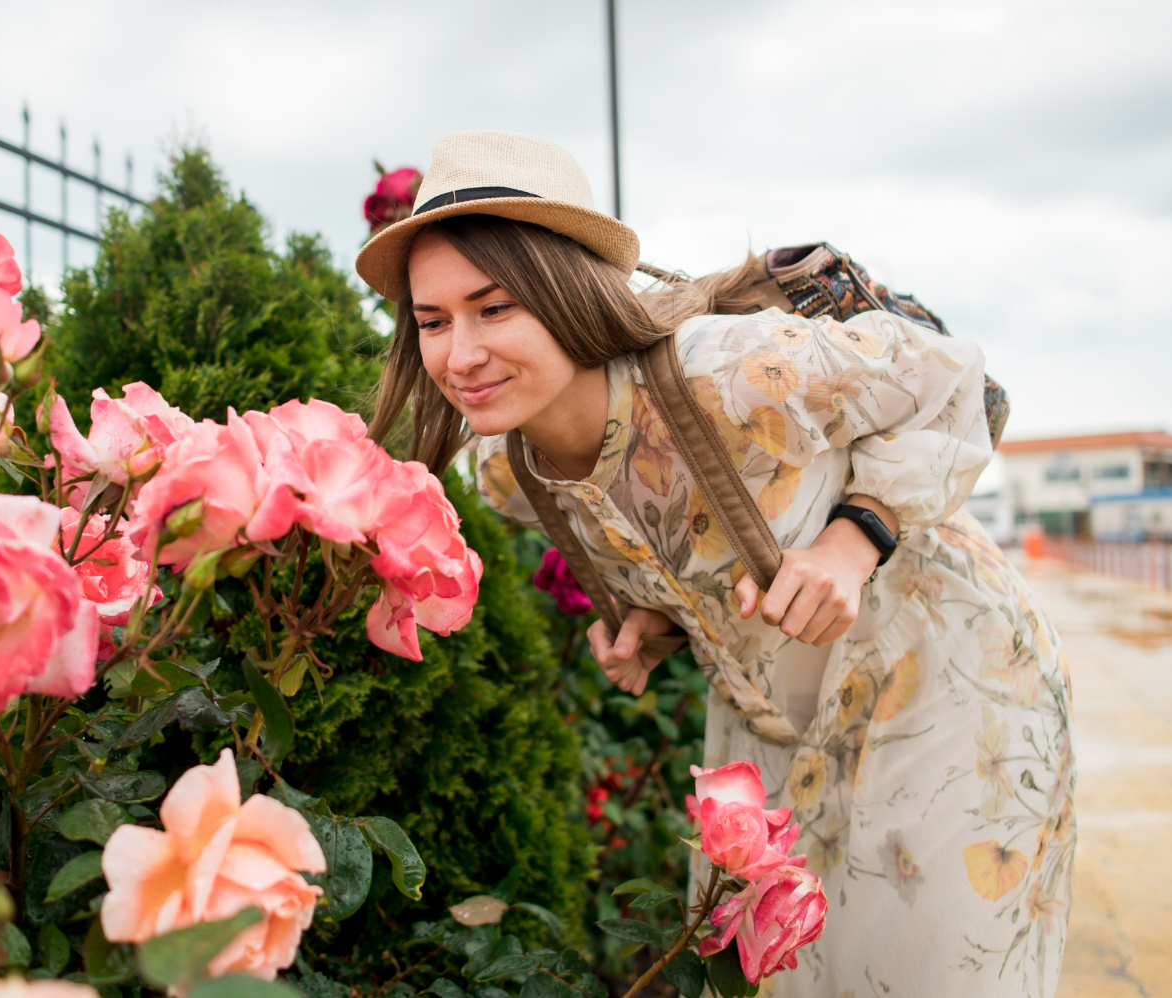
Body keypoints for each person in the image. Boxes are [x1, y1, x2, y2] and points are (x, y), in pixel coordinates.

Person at [357, 131, 1074, 997]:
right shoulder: (513, 471)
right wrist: (651, 622)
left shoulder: (730, 371)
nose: (458, 355)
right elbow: (671, 542)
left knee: (927, 969)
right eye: (433, 322)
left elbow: (954, 383)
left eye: (494, 307)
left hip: (939, 675)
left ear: (569, 290)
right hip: (773, 720)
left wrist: (851, 543)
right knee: (782, 974)